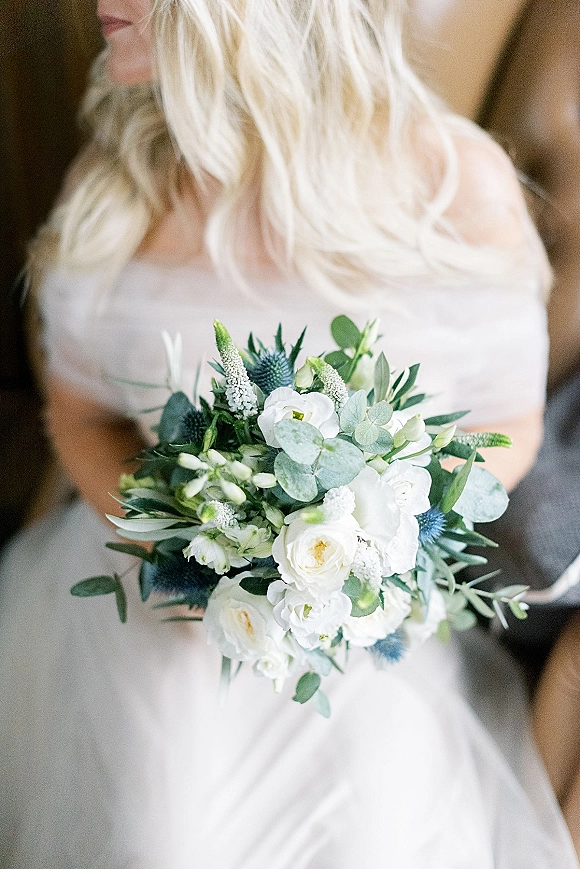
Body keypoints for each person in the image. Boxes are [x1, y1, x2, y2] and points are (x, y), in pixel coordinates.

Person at [0, 1, 577, 866]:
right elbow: (80, 416)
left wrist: (372, 551)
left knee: (378, 836)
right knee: (162, 836)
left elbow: (507, 422)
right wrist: (200, 555)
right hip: (150, 590)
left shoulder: (454, 184)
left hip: (363, 617)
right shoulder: (111, 195)